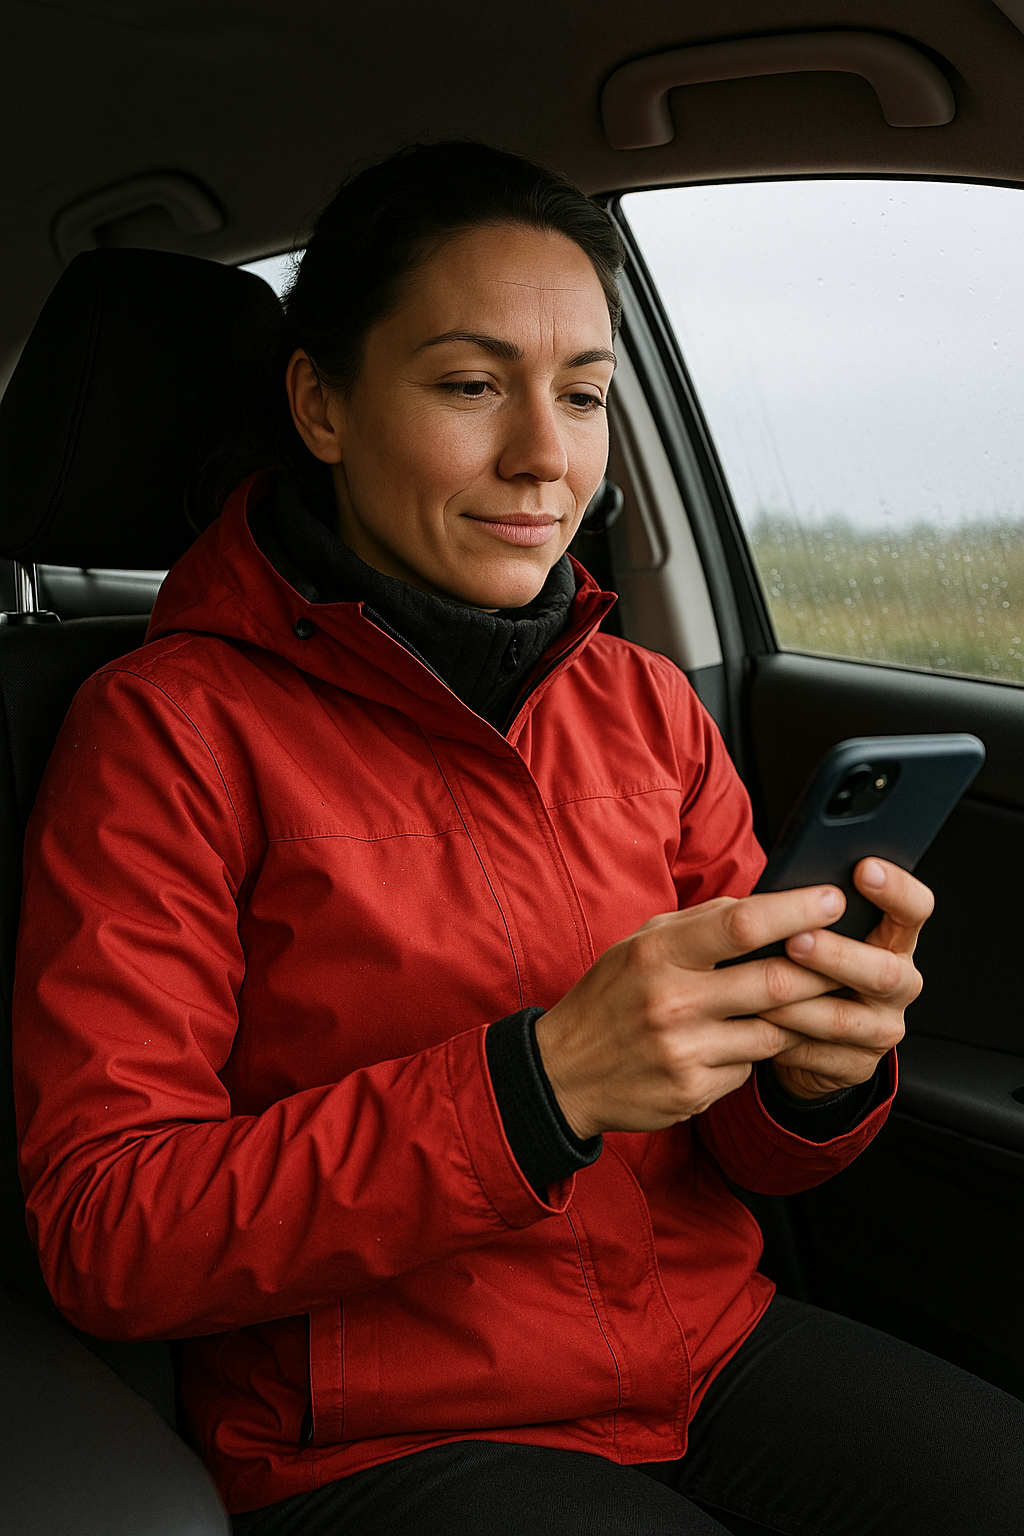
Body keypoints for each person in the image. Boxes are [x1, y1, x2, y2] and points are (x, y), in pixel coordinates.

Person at [12, 143, 1022, 1535]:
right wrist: (534, 1087)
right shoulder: (165, 731)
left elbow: (751, 1149)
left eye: (586, 394)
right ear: (322, 404)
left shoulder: (648, 705)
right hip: (378, 1438)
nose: (548, 455)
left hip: (709, 1354)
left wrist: (817, 1077)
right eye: (471, 384)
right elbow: (108, 1233)